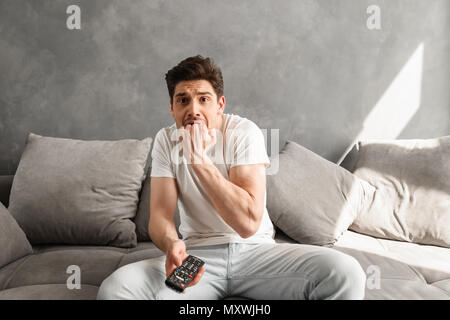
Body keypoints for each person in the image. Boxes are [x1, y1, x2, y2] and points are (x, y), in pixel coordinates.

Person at [97, 55, 366, 300]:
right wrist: (172, 245)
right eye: (183, 100)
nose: (193, 110)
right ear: (172, 107)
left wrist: (199, 161)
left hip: (257, 254)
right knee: (117, 288)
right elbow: (160, 216)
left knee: (345, 273)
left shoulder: (243, 133)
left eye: (203, 99)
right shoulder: (166, 140)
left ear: (220, 105)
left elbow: (248, 223)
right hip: (196, 261)